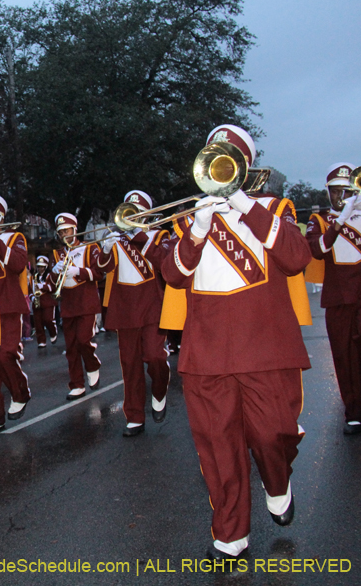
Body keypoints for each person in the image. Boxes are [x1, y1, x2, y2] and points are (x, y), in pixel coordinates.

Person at [161, 124, 311, 560]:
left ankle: (277, 480)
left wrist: (245, 206)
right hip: (206, 354)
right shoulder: (190, 216)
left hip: (266, 348)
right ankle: (230, 535)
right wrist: (196, 230)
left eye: (228, 157)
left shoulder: (274, 207)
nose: (219, 164)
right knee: (219, 450)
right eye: (213, 155)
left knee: (273, 435)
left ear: (243, 166)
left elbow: (297, 257)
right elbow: (172, 275)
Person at [96, 190, 172, 436]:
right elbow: (102, 269)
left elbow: (165, 264)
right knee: (130, 365)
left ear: (146, 215)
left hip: (152, 306)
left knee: (155, 357)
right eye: (129, 211)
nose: (132, 217)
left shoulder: (157, 235)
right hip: (125, 308)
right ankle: (135, 416)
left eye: (137, 212)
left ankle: (160, 390)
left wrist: (138, 237)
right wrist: (106, 250)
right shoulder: (117, 239)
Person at [306, 162, 361, 435]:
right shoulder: (319, 221)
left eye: (348, 190)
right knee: (344, 356)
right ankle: (353, 410)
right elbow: (316, 250)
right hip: (339, 299)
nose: (342, 196)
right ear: (328, 192)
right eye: (337, 191)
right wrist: (340, 220)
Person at [0, 194, 31, 430]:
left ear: (1, 217)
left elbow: (18, 264)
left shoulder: (14, 237)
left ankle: (21, 393)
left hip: (9, 307)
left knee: (4, 355)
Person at [52, 213, 104, 399]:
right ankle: (77, 384)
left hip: (86, 302)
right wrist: (54, 271)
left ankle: (92, 365)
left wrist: (79, 271)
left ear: (75, 229)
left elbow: (99, 273)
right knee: (71, 347)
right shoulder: (57, 254)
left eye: (66, 230)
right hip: (68, 304)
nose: (64, 234)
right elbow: (52, 283)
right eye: (60, 232)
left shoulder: (90, 248)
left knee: (84, 340)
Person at [30, 256, 58, 347]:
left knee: (48, 319)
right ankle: (41, 341)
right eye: (38, 266)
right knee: (38, 322)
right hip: (37, 301)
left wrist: (43, 287)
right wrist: (32, 297)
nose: (40, 268)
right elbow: (30, 290)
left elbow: (54, 288)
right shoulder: (34, 277)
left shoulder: (51, 275)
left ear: (46, 267)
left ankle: (53, 333)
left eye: (42, 266)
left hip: (47, 301)